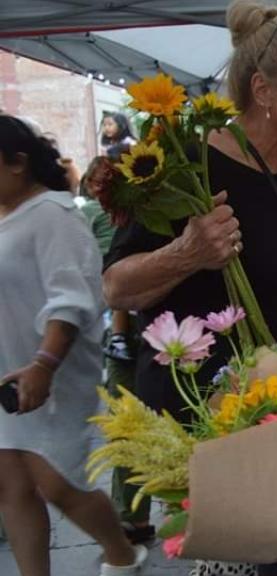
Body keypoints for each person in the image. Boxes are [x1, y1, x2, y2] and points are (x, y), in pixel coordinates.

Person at [103, 0, 277, 422]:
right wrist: (186, 253)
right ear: (263, 90)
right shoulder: (187, 166)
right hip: (210, 420)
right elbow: (116, 288)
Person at [0, 114, 146, 576]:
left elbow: (73, 297)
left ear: (17, 162)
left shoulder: (55, 215)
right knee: (11, 485)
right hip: (8, 369)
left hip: (52, 372)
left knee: (58, 481)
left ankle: (122, 553)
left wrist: (44, 363)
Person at [80, 157, 154, 544]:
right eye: (95, 181)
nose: (99, 188)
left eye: (106, 182)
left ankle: (132, 517)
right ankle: (131, 517)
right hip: (126, 333)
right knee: (126, 426)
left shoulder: (133, 216)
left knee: (127, 424)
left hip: (141, 332)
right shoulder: (101, 217)